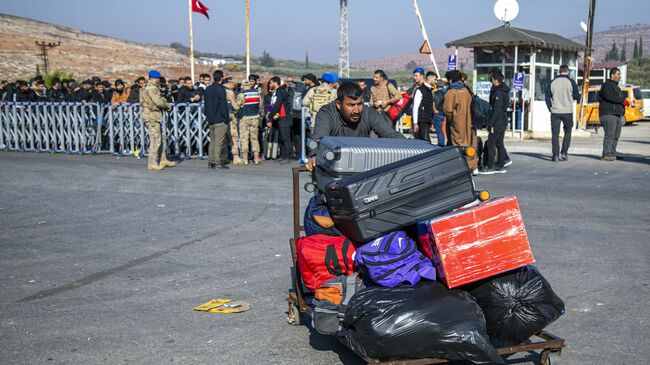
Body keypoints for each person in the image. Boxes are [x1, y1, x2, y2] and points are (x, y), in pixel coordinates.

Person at [307, 82, 405, 171]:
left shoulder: (368, 113)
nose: (356, 110)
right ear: (338, 104)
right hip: (333, 167)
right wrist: (314, 155)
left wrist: (413, 148)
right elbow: (320, 139)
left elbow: (391, 135)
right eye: (351, 105)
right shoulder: (326, 113)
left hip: (362, 167)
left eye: (359, 104)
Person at [139, 70, 175, 171]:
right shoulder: (152, 88)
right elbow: (158, 102)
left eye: (158, 78)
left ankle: (163, 159)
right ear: (151, 78)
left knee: (160, 138)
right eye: (156, 78)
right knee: (155, 140)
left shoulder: (150, 87)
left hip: (153, 115)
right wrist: (168, 105)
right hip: (152, 116)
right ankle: (152, 163)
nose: (157, 80)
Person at [443, 70, 478, 172]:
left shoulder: (452, 92)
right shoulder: (467, 90)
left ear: (450, 80)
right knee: (471, 144)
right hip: (471, 122)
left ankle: (461, 168)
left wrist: (451, 120)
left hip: (458, 124)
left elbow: (448, 110)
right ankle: (473, 166)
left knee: (459, 146)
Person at [545, 65, 581, 162]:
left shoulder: (552, 82)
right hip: (568, 111)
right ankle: (564, 152)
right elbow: (577, 96)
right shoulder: (571, 82)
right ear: (567, 72)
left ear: (559, 71)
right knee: (568, 132)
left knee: (555, 134)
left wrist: (550, 108)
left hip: (555, 111)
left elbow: (547, 97)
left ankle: (555, 155)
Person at [478, 70, 510, 175]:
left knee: (491, 143)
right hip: (503, 120)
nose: (490, 81)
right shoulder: (504, 90)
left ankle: (490, 166)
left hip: (498, 121)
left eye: (491, 79)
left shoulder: (498, 93)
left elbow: (496, 110)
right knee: (499, 143)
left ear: (496, 80)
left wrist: (490, 124)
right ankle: (500, 165)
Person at [598, 67, 626, 161]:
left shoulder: (617, 87)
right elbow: (608, 97)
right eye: (618, 74)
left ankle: (612, 152)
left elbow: (620, 100)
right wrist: (622, 100)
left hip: (617, 115)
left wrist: (624, 107)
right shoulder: (606, 85)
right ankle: (606, 153)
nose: (619, 76)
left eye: (620, 74)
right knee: (610, 134)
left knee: (616, 136)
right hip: (608, 114)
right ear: (612, 75)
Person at [204, 70, 230, 169]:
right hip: (220, 119)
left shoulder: (208, 89)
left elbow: (206, 105)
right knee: (219, 142)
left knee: (213, 141)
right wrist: (226, 118)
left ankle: (211, 161)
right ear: (222, 78)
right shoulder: (221, 90)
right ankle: (217, 162)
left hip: (210, 119)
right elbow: (223, 106)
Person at [236, 74, 264, 165]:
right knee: (254, 138)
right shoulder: (257, 93)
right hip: (255, 118)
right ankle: (256, 158)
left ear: (244, 86)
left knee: (244, 138)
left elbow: (237, 106)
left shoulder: (242, 94)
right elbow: (260, 105)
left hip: (245, 118)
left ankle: (245, 159)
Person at [268, 76, 292, 164]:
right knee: (282, 138)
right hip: (280, 118)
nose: (270, 85)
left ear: (275, 83)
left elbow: (277, 105)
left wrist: (270, 116)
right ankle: (282, 156)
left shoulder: (280, 92)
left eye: (271, 83)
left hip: (285, 118)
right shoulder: (278, 92)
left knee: (286, 138)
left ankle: (287, 157)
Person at [223, 77, 243, 164]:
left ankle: (223, 156)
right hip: (230, 116)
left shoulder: (219, 90)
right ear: (231, 84)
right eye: (234, 85)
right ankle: (235, 157)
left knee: (222, 138)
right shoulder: (229, 92)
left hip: (220, 116)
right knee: (233, 136)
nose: (235, 88)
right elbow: (234, 106)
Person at [411, 68, 433, 142]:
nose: (415, 78)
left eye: (416, 76)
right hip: (419, 119)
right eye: (414, 76)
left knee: (425, 141)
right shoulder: (415, 87)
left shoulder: (425, 88)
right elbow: (415, 106)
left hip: (423, 119)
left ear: (422, 76)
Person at [427, 72, 446, 147]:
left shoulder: (434, 93)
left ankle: (441, 144)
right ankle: (442, 143)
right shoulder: (447, 93)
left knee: (439, 130)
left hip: (437, 114)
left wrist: (434, 110)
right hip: (445, 114)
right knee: (444, 130)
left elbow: (433, 104)